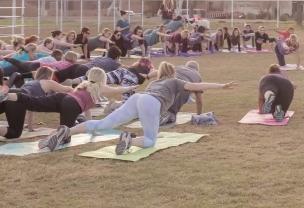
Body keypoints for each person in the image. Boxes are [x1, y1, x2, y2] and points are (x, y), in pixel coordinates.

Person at [39, 62, 236, 154]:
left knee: (103, 124)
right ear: (173, 73)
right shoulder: (175, 81)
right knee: (150, 141)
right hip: (150, 103)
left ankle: (66, 131)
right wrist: (221, 86)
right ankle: (129, 140)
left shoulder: (154, 83)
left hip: (139, 98)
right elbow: (196, 87)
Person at [4, 68, 131, 142]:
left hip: (59, 99)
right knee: (65, 136)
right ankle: (51, 139)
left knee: (34, 103)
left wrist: (91, 127)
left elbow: (87, 112)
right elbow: (116, 90)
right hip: (68, 104)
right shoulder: (99, 87)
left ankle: (9, 95)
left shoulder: (84, 85)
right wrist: (131, 87)